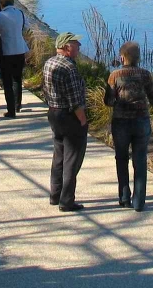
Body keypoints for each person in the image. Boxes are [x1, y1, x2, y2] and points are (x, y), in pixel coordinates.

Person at [105, 41, 153, 212]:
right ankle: (139, 201)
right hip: (141, 121)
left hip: (121, 122)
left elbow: (108, 101)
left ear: (122, 57)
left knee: (121, 158)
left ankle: (124, 197)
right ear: (138, 58)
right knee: (139, 160)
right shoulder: (145, 74)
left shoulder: (114, 76)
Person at [42, 32, 88, 212]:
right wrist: (83, 121)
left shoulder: (49, 62)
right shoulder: (69, 67)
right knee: (72, 159)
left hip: (53, 113)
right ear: (67, 47)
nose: (79, 47)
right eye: (76, 44)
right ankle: (67, 200)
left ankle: (55, 194)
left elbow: (44, 88)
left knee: (59, 155)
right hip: (69, 117)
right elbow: (75, 101)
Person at [0, 0, 30, 118]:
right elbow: (26, 27)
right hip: (20, 49)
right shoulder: (20, 13)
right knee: (17, 79)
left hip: (6, 51)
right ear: (13, 3)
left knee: (7, 82)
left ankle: (11, 110)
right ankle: (18, 105)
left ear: (1, 5)